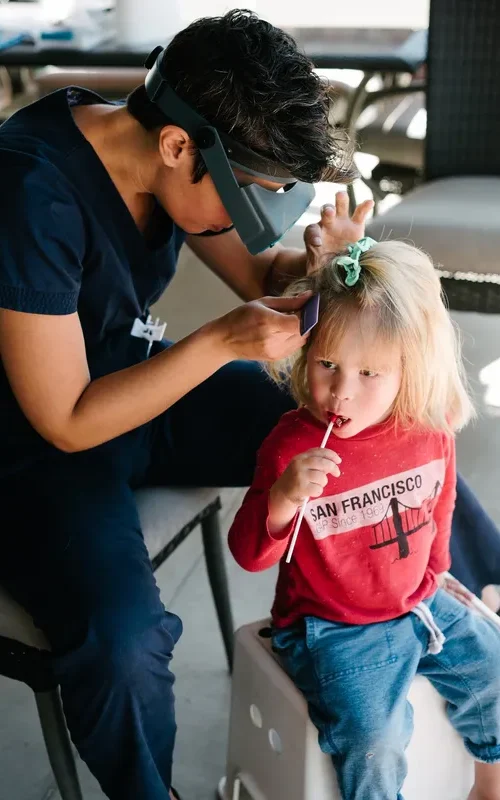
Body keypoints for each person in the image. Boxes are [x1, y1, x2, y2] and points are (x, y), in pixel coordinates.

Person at [0, 9, 497, 800]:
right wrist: (218, 345)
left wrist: (321, 267)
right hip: (39, 445)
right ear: (176, 148)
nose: (247, 215)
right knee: (122, 646)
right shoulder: (31, 193)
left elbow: (262, 280)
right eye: (248, 194)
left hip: (142, 386)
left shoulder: (162, 147)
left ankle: (482, 595)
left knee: (391, 431)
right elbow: (66, 417)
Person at [228, 237, 500, 800]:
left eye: (370, 373)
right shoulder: (290, 449)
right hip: (331, 625)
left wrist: (437, 575)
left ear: (410, 367)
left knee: (495, 670)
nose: (341, 393)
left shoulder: (427, 431)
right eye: (328, 364)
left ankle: (487, 787)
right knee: (374, 739)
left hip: (419, 599)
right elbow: (250, 555)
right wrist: (282, 498)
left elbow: (441, 506)